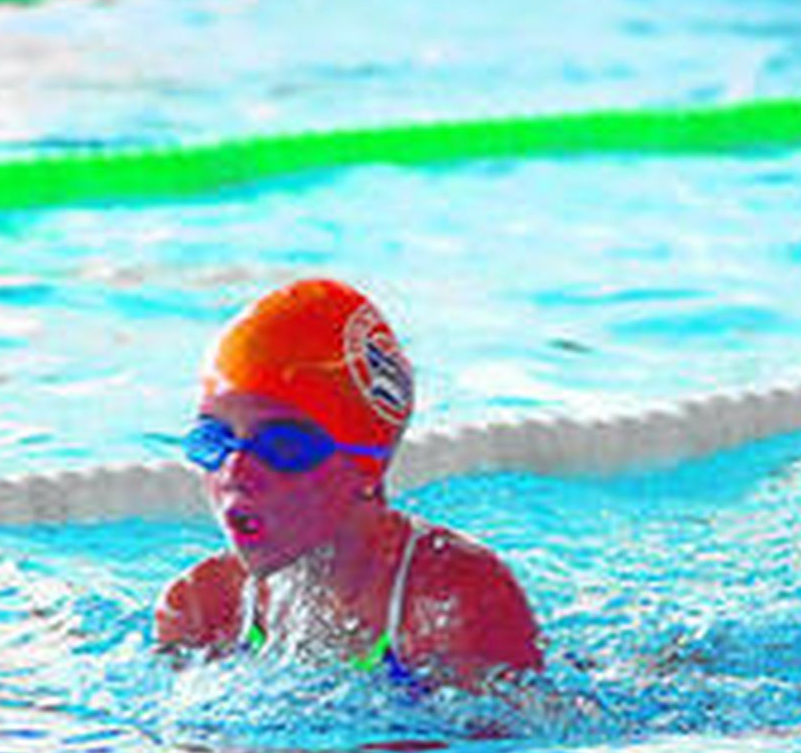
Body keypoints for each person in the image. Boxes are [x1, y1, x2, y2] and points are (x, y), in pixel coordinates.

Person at [154, 277, 543, 693]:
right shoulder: (202, 608)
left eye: (283, 446)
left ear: (366, 466)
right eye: (213, 440)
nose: (235, 471)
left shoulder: (453, 602)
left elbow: (495, 749)